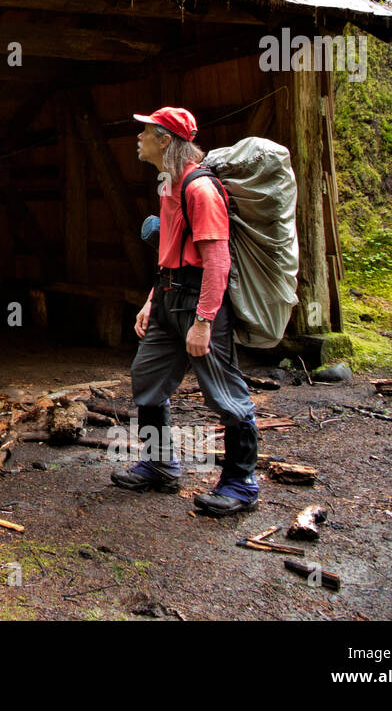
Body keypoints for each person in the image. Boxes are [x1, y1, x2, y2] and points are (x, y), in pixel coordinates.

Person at [110, 106, 260, 517]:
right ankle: (160, 465)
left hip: (198, 301)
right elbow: (168, 254)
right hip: (168, 297)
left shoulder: (200, 190)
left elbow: (217, 261)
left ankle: (240, 483)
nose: (138, 138)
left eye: (147, 132)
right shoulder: (169, 186)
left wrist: (205, 321)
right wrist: (150, 301)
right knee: (148, 377)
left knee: (225, 393)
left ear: (166, 141)